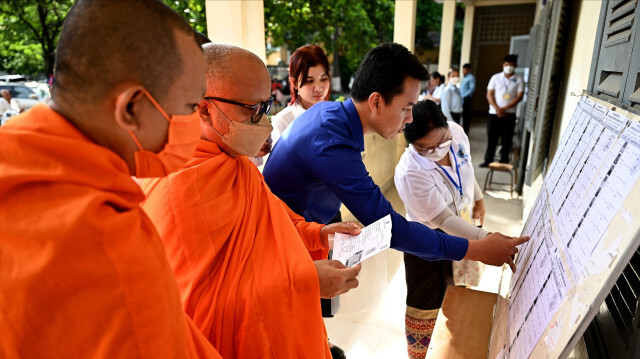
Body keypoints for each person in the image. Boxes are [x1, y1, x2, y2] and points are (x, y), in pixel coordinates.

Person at [0, 0, 221, 358]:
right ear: (132, 108)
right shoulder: (104, 244)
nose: (197, 125)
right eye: (190, 108)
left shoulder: (14, 154)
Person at [140, 43, 362, 359]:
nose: (263, 122)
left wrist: (317, 234)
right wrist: (302, 281)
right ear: (204, 109)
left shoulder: (235, 162)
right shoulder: (174, 190)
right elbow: (199, 312)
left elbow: (278, 224)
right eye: (253, 109)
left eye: (267, 106)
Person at [263, 42, 528, 287]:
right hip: (278, 241)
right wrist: (477, 249)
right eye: (406, 107)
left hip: (301, 230)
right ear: (376, 101)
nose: (410, 118)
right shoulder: (333, 144)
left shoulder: (329, 114)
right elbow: (390, 228)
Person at [394, 100, 489, 358]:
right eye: (426, 148)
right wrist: (485, 241)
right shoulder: (410, 172)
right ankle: (421, 354)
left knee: (459, 291)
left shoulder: (456, 132)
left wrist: (478, 198)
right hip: (427, 241)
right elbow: (444, 220)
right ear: (411, 143)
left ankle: (452, 346)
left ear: (447, 125)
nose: (437, 151)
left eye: (442, 142)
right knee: (425, 305)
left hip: (464, 224)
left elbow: (465, 169)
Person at [271, 44, 331, 145]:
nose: (318, 88)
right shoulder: (283, 122)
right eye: (309, 81)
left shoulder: (336, 116)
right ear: (294, 82)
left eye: (323, 79)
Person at [479, 54, 524, 167]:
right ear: (503, 65)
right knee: (492, 138)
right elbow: (489, 94)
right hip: (494, 113)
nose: (508, 67)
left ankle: (504, 160)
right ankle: (488, 160)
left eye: (511, 65)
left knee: (507, 138)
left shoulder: (519, 79)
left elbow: (519, 96)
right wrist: (497, 108)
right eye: (506, 64)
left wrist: (504, 108)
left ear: (515, 66)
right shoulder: (495, 77)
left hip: (509, 114)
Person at [460, 63, 476, 134]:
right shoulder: (464, 77)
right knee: (463, 115)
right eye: (463, 69)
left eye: (466, 69)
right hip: (462, 98)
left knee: (466, 116)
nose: (464, 71)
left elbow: (472, 89)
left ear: (469, 70)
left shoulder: (471, 77)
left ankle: (466, 132)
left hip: (466, 99)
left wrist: (464, 96)